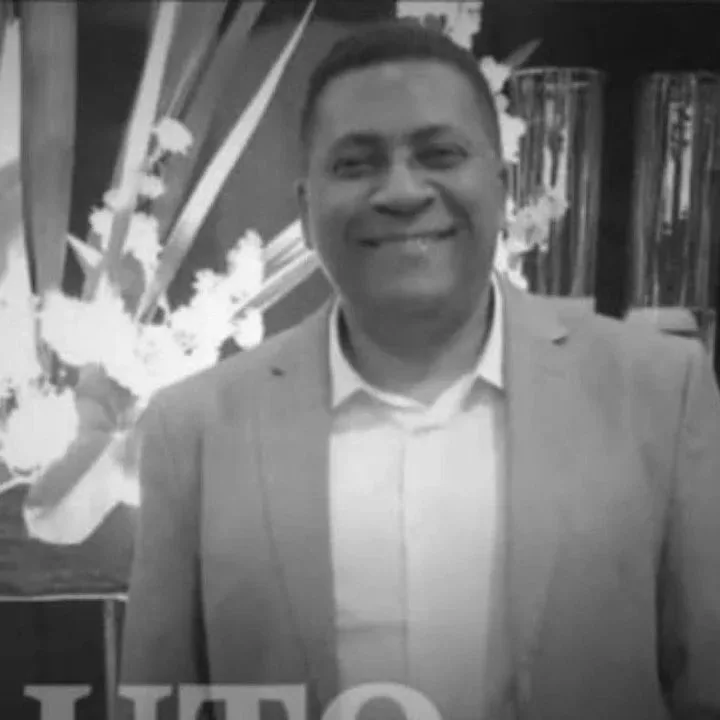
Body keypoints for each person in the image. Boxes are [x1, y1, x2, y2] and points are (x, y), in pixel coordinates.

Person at [119, 20, 720, 720]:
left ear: (501, 187)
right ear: (306, 211)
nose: (402, 192)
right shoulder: (194, 429)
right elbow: (159, 702)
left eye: (440, 154)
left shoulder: (657, 390)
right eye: (356, 164)